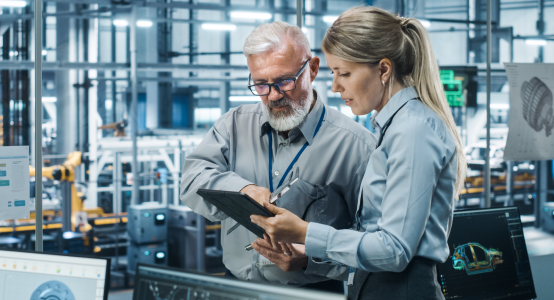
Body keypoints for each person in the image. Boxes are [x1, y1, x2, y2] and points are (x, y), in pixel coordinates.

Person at [250, 6, 467, 300]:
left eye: (345, 73)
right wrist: (308, 255)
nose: (336, 86)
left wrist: (305, 232)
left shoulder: (413, 129)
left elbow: (394, 251)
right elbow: (375, 241)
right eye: (333, 73)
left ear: (384, 70)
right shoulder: (394, 127)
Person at [180, 21, 376, 293]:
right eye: (260, 84)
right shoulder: (233, 125)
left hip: (313, 291)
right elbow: (191, 179)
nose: (273, 96)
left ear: (313, 69)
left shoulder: (357, 147)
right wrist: (242, 190)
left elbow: (377, 246)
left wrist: (314, 259)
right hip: (234, 289)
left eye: (284, 81)